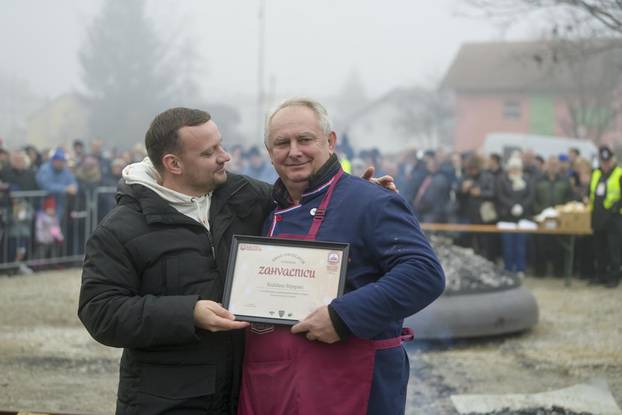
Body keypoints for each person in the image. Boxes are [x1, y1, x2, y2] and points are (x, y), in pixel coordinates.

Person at [237, 98, 445, 415]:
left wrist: (342, 317)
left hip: (351, 384)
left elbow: (424, 274)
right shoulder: (267, 208)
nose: (294, 151)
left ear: (330, 142)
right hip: (276, 384)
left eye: (305, 139)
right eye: (282, 143)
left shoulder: (370, 200)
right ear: (269, 152)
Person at [78, 108, 274, 414]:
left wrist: (369, 197)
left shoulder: (245, 195)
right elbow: (100, 311)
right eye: (209, 152)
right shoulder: (119, 229)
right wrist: (188, 313)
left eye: (221, 145)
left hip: (243, 395)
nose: (225, 157)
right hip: (165, 402)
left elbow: (305, 202)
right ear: (174, 163)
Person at [588, 145, 621, 288]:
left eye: (608, 161)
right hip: (598, 216)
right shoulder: (596, 173)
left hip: (614, 217)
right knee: (599, 248)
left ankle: (613, 277)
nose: (605, 164)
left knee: (614, 249)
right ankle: (600, 275)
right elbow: (591, 192)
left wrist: (615, 208)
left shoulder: (619, 173)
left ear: (613, 160)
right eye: (603, 161)